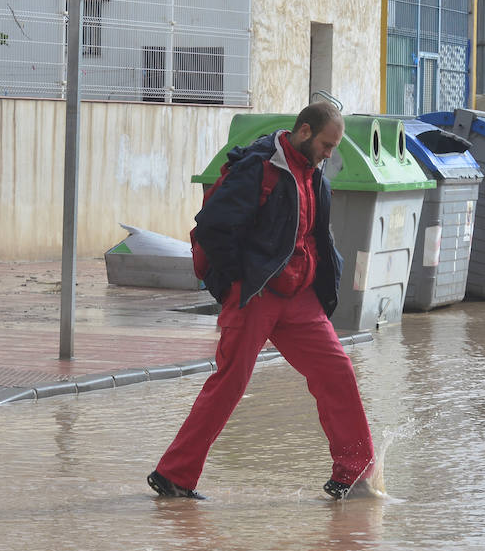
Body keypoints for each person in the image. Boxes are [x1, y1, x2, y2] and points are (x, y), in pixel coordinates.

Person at [148, 102, 375, 500]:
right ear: (304, 131)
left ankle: (353, 475)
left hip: (300, 297)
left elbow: (318, 239)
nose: (329, 154)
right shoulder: (258, 168)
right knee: (230, 383)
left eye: (333, 147)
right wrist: (239, 281)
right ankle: (173, 475)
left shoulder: (316, 176)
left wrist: (323, 288)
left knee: (337, 371)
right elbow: (213, 229)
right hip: (255, 293)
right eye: (325, 144)